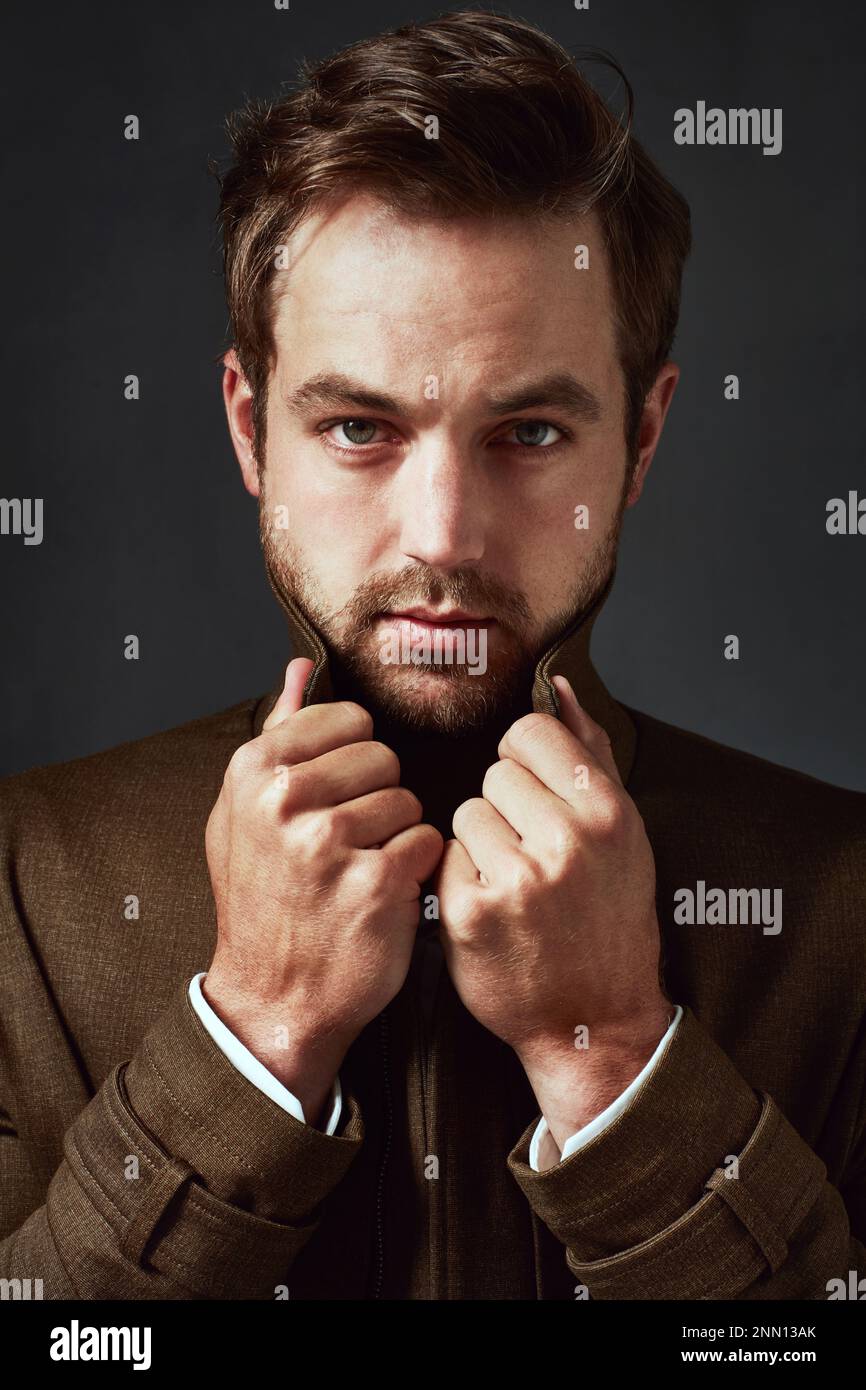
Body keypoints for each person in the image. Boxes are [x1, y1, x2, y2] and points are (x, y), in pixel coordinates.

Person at [1, 9, 863, 1301]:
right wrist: (251, 1036)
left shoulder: (845, 910)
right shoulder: (24, 883)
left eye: (525, 433)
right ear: (250, 431)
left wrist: (619, 1060)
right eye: (359, 426)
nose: (443, 534)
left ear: (639, 436)